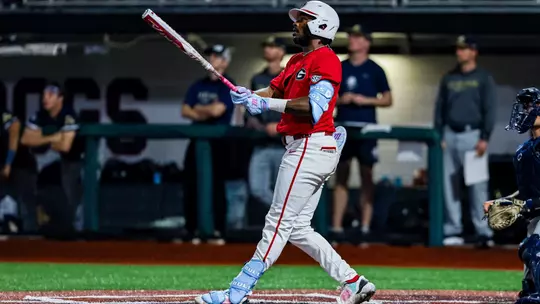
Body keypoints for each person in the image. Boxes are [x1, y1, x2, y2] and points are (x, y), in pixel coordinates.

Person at [195, 2, 376, 304]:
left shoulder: (327, 60)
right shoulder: (296, 61)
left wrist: (266, 105)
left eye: (303, 19)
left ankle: (237, 291)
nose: (296, 24)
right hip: (305, 147)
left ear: (320, 26)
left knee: (276, 222)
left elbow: (314, 108)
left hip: (309, 144)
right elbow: (276, 91)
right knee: (298, 229)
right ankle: (353, 281)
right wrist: (250, 96)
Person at [434, 35, 497, 248]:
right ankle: (453, 230)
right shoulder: (449, 78)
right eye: (458, 49)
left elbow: (490, 109)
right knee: (449, 186)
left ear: (473, 51)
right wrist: (439, 134)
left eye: (464, 49)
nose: (459, 52)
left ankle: (483, 231)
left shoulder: (483, 77)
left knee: (477, 186)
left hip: (473, 135)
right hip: (450, 135)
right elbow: (440, 108)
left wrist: (485, 137)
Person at [332, 24, 392, 244]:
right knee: (341, 176)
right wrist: (343, 99)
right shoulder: (339, 66)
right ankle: (337, 228)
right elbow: (326, 96)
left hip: (366, 129)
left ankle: (365, 227)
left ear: (366, 42)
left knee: (367, 176)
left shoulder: (375, 69)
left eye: (357, 37)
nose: (352, 41)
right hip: (343, 128)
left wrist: (363, 100)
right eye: (351, 37)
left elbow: (387, 99)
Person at [483, 87, 540, 303]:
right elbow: (528, 188)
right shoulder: (526, 149)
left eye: (532, 105)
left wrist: (525, 205)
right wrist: (502, 201)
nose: (526, 110)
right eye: (524, 106)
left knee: (534, 247)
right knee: (528, 285)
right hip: (536, 216)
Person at [181, 44, 236, 244]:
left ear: (225, 61)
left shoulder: (228, 84)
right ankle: (192, 230)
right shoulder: (198, 85)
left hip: (218, 142)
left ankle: (217, 230)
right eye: (211, 56)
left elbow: (217, 111)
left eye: (216, 56)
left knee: (217, 187)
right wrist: (204, 110)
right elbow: (185, 110)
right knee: (191, 185)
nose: (212, 59)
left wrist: (198, 109)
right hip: (196, 141)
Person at [21, 82, 83, 234]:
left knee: (76, 200)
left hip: (80, 161)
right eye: (44, 95)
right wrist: (51, 138)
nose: (45, 98)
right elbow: (25, 139)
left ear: (60, 98)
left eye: (50, 95)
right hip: (57, 162)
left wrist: (41, 138)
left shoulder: (68, 115)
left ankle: (79, 236)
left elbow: (65, 146)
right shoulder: (40, 115)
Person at [246, 36, 287, 208]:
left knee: (286, 191)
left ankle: (291, 224)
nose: (267, 50)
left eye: (272, 47)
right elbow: (251, 110)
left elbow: (297, 107)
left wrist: (279, 126)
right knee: (257, 188)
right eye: (266, 46)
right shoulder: (257, 78)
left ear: (281, 51)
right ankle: (286, 218)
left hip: (285, 144)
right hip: (262, 141)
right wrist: (253, 121)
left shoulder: (290, 76)